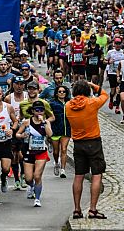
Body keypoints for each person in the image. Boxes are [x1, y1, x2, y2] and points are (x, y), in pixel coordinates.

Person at [65, 80, 109, 220]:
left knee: (79, 176)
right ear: (87, 91)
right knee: (97, 174)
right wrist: (93, 85)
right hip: (93, 142)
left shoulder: (67, 106)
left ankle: (77, 209)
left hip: (78, 143)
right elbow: (104, 94)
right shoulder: (92, 103)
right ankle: (93, 209)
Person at [16, 100, 52, 207]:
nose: (40, 112)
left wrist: (44, 122)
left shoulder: (46, 122)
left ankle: (37, 198)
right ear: (33, 111)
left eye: (42, 110)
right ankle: (31, 186)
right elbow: (17, 134)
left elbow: (50, 134)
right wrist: (22, 136)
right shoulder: (27, 122)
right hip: (29, 152)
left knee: (37, 176)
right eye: (37, 110)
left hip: (41, 152)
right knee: (28, 178)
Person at [48, 85, 71, 178]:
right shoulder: (52, 104)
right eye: (60, 91)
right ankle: (56, 162)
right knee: (56, 151)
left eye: (63, 91)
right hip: (55, 130)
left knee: (64, 149)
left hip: (66, 129)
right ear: (56, 93)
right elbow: (49, 116)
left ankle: (63, 170)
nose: (62, 93)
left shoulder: (69, 103)